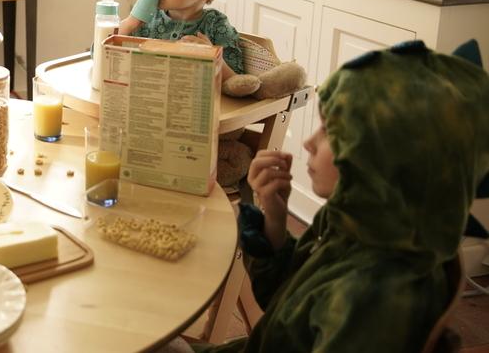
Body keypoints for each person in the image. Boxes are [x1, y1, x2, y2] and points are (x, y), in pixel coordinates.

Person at [196, 40, 489, 352]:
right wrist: (275, 217)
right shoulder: (355, 224)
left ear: (384, 162)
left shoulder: (377, 298)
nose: (309, 142)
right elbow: (288, 300)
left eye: (330, 133)